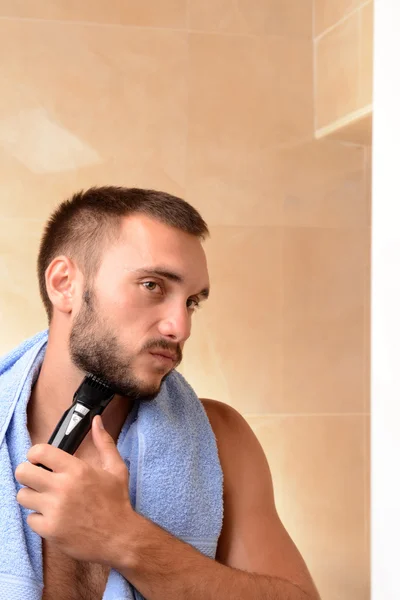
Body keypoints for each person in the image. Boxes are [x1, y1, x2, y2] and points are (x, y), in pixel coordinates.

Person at [0, 187, 320, 600]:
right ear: (65, 285)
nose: (180, 327)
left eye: (191, 303)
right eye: (152, 285)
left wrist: (125, 539)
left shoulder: (221, 440)